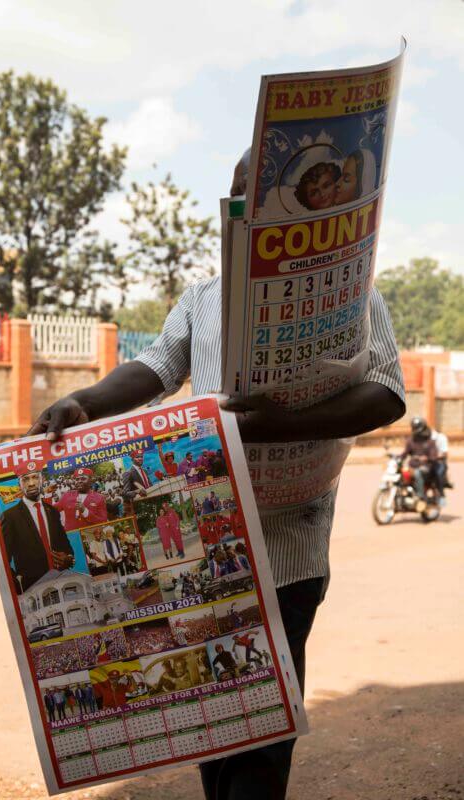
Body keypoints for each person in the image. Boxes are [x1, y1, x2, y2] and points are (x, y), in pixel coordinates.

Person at [28, 148, 405, 800]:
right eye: (238, 195)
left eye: (263, 195)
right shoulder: (202, 298)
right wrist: (87, 402)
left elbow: (385, 395)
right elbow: (153, 367)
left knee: (262, 725)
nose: (246, 207)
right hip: (197, 547)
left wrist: (268, 427)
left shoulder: (351, 299)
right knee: (212, 722)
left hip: (288, 548)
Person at [1, 464, 74, 594]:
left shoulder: (52, 511)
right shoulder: (10, 517)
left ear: (42, 480)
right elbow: (3, 560)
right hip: (33, 591)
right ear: (19, 484)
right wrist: (19, 587)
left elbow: (66, 547)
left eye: (35, 477)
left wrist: (68, 558)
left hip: (62, 584)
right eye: (25, 479)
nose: (31, 483)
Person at [55, 468, 107, 532]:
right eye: (77, 479)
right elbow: (51, 509)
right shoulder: (67, 495)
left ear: (91, 480)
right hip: (72, 537)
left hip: (89, 537)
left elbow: (103, 521)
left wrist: (85, 511)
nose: (79, 481)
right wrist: (48, 494)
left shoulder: (99, 498)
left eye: (83, 479)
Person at [401, 417, 438, 503]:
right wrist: (396, 457)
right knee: (401, 472)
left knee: (418, 472)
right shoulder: (411, 441)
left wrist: (427, 458)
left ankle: (420, 496)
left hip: (426, 468)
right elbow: (405, 453)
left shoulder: (430, 442)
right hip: (412, 467)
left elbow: (434, 456)